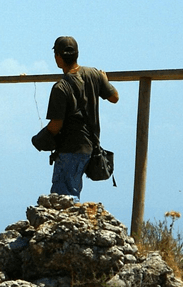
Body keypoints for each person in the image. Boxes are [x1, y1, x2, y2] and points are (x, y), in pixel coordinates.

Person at [32, 36, 119, 201]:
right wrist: (105, 80)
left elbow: (56, 125)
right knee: (72, 192)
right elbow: (114, 97)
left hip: (69, 149)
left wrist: (39, 139)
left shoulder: (60, 87)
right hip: (89, 147)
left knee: (65, 198)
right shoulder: (94, 74)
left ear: (57, 57)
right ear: (77, 54)